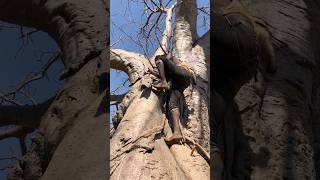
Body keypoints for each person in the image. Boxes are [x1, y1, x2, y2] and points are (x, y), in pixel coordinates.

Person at [151, 54, 194, 146]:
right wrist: (153, 72)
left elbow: (167, 62)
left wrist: (162, 77)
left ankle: (163, 82)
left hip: (184, 74)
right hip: (179, 84)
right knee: (172, 102)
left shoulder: (173, 59)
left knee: (158, 57)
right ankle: (177, 133)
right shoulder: (171, 73)